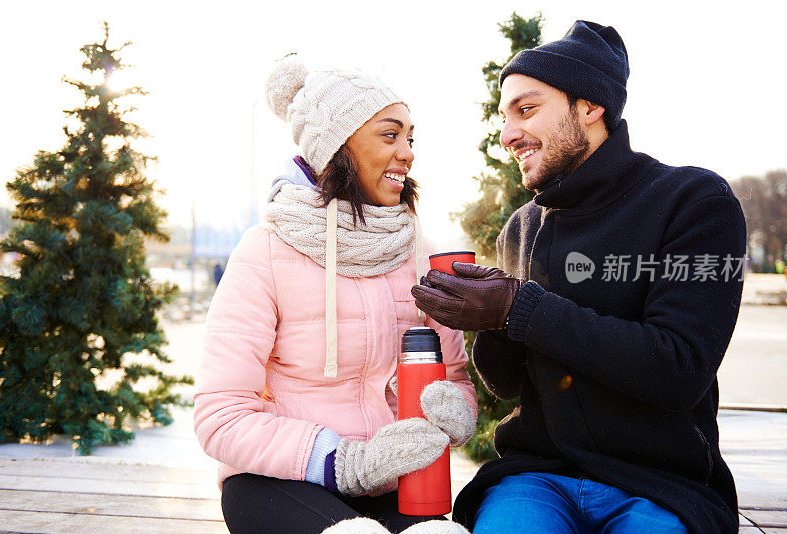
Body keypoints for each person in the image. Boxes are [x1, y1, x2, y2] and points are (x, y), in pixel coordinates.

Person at [412, 21, 745, 534]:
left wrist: (517, 307)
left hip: (661, 484)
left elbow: (679, 370)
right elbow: (506, 387)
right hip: (539, 477)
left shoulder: (694, 202)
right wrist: (485, 317)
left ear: (591, 107)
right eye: (504, 118)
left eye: (526, 109)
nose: (507, 135)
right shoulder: (523, 227)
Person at [193, 56, 476, 534]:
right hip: (279, 481)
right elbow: (220, 416)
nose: (407, 152)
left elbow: (455, 380)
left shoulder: (420, 255)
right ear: (336, 146)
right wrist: (343, 461)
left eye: (410, 137)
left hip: (399, 482)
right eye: (390, 135)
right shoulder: (265, 251)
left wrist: (456, 410)